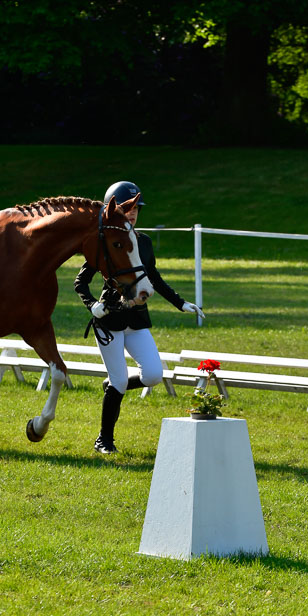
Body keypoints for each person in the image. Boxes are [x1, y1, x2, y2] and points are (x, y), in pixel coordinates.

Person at [74, 181, 205, 455]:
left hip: (137, 319)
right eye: (127, 208)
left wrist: (180, 303)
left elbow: (153, 278)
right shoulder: (106, 241)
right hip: (109, 319)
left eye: (136, 209)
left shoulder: (143, 242)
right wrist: (92, 305)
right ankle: (104, 440)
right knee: (120, 381)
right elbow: (80, 282)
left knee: (154, 374)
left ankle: (113, 386)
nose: (133, 214)